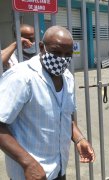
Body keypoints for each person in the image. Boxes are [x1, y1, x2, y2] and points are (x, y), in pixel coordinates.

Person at [0, 26, 95, 180]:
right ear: (42, 47)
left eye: (68, 54)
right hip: (28, 174)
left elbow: (64, 116)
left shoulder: (67, 77)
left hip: (58, 169)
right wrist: (28, 163)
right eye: (56, 52)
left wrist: (79, 139)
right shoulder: (21, 77)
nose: (62, 59)